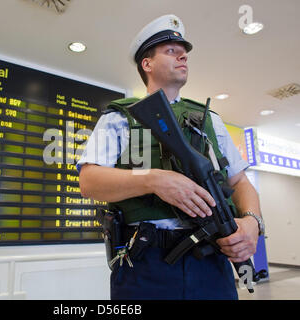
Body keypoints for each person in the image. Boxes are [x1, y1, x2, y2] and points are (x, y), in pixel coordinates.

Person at [76, 14, 264, 300]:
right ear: (147, 64)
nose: (183, 57)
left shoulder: (211, 121)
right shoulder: (119, 117)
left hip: (211, 262)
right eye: (171, 51)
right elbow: (89, 181)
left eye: (184, 52)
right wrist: (154, 180)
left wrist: (252, 222)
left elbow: (240, 183)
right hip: (144, 264)